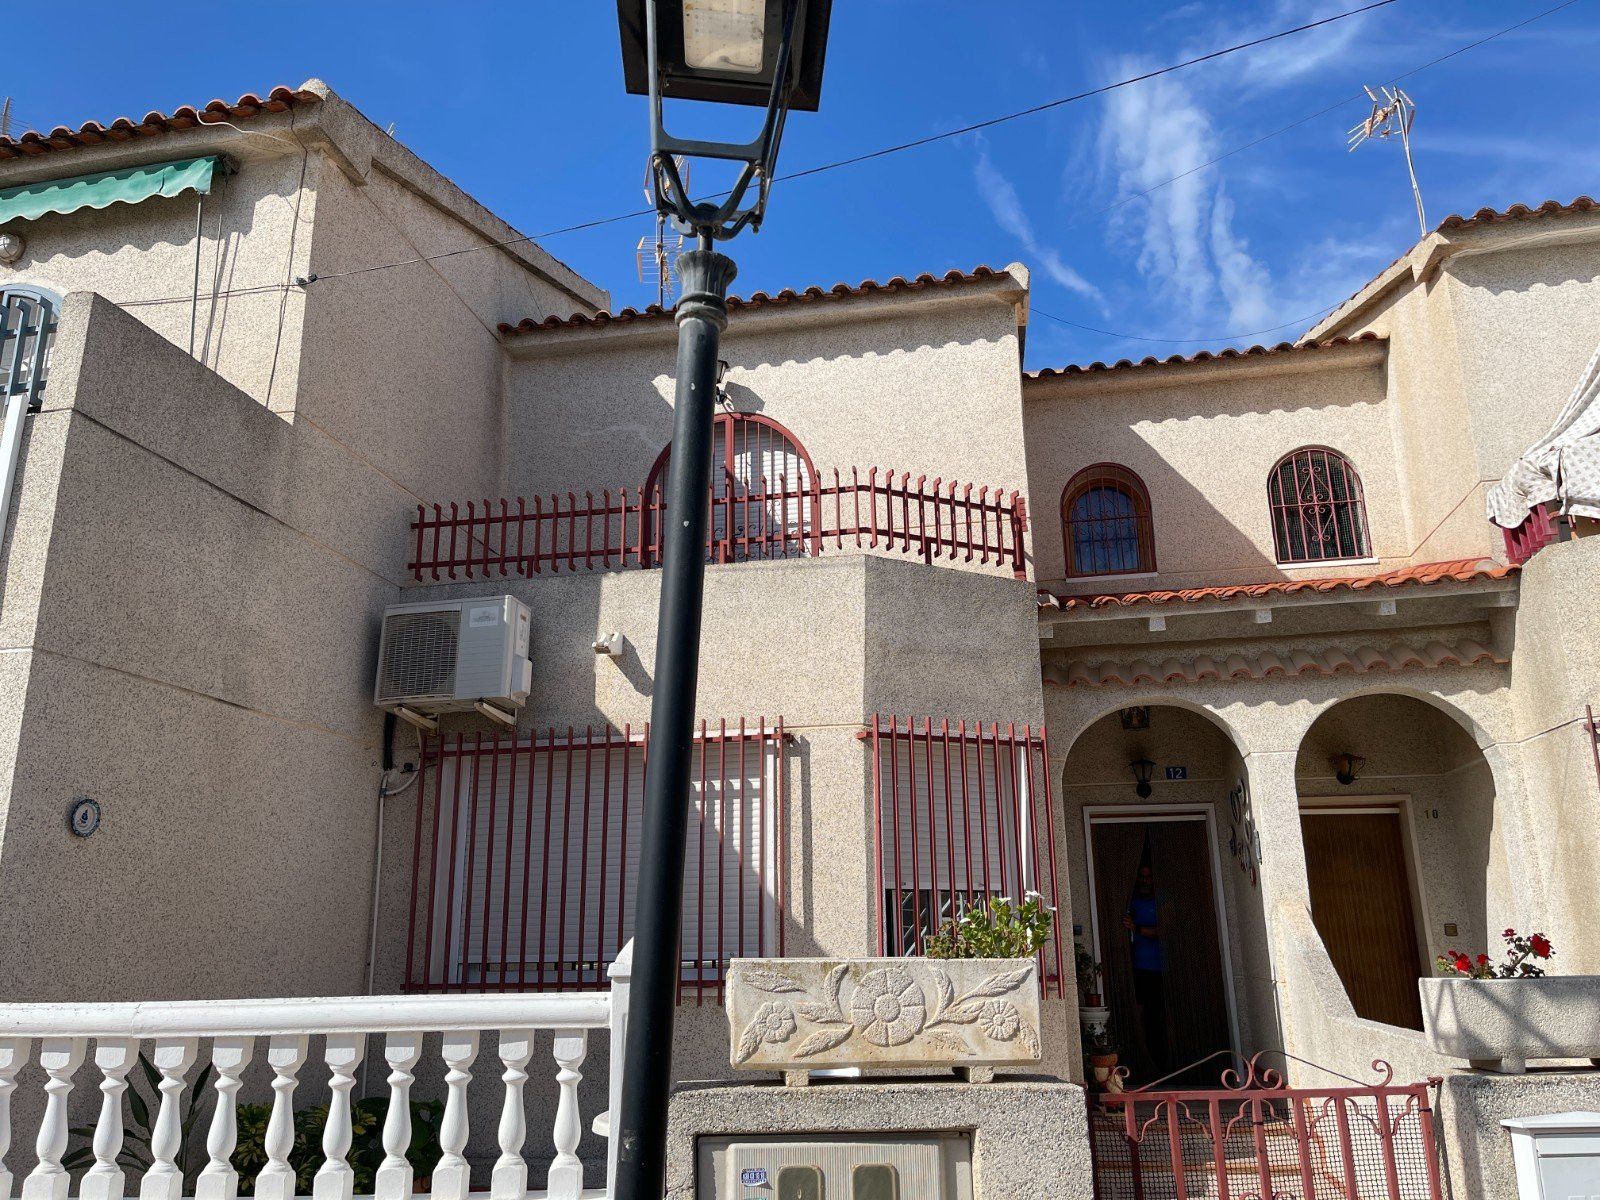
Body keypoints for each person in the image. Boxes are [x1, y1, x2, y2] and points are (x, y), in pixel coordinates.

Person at [1123, 862, 1171, 1071]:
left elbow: (1167, 929)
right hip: (1138, 967)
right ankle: (1144, 1058)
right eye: (1141, 877)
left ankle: (1166, 1058)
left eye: (1148, 877)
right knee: (1140, 1013)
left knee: (1161, 1015)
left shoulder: (1161, 902)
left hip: (1161, 968)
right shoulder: (1131, 901)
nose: (1144, 881)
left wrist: (1138, 928)